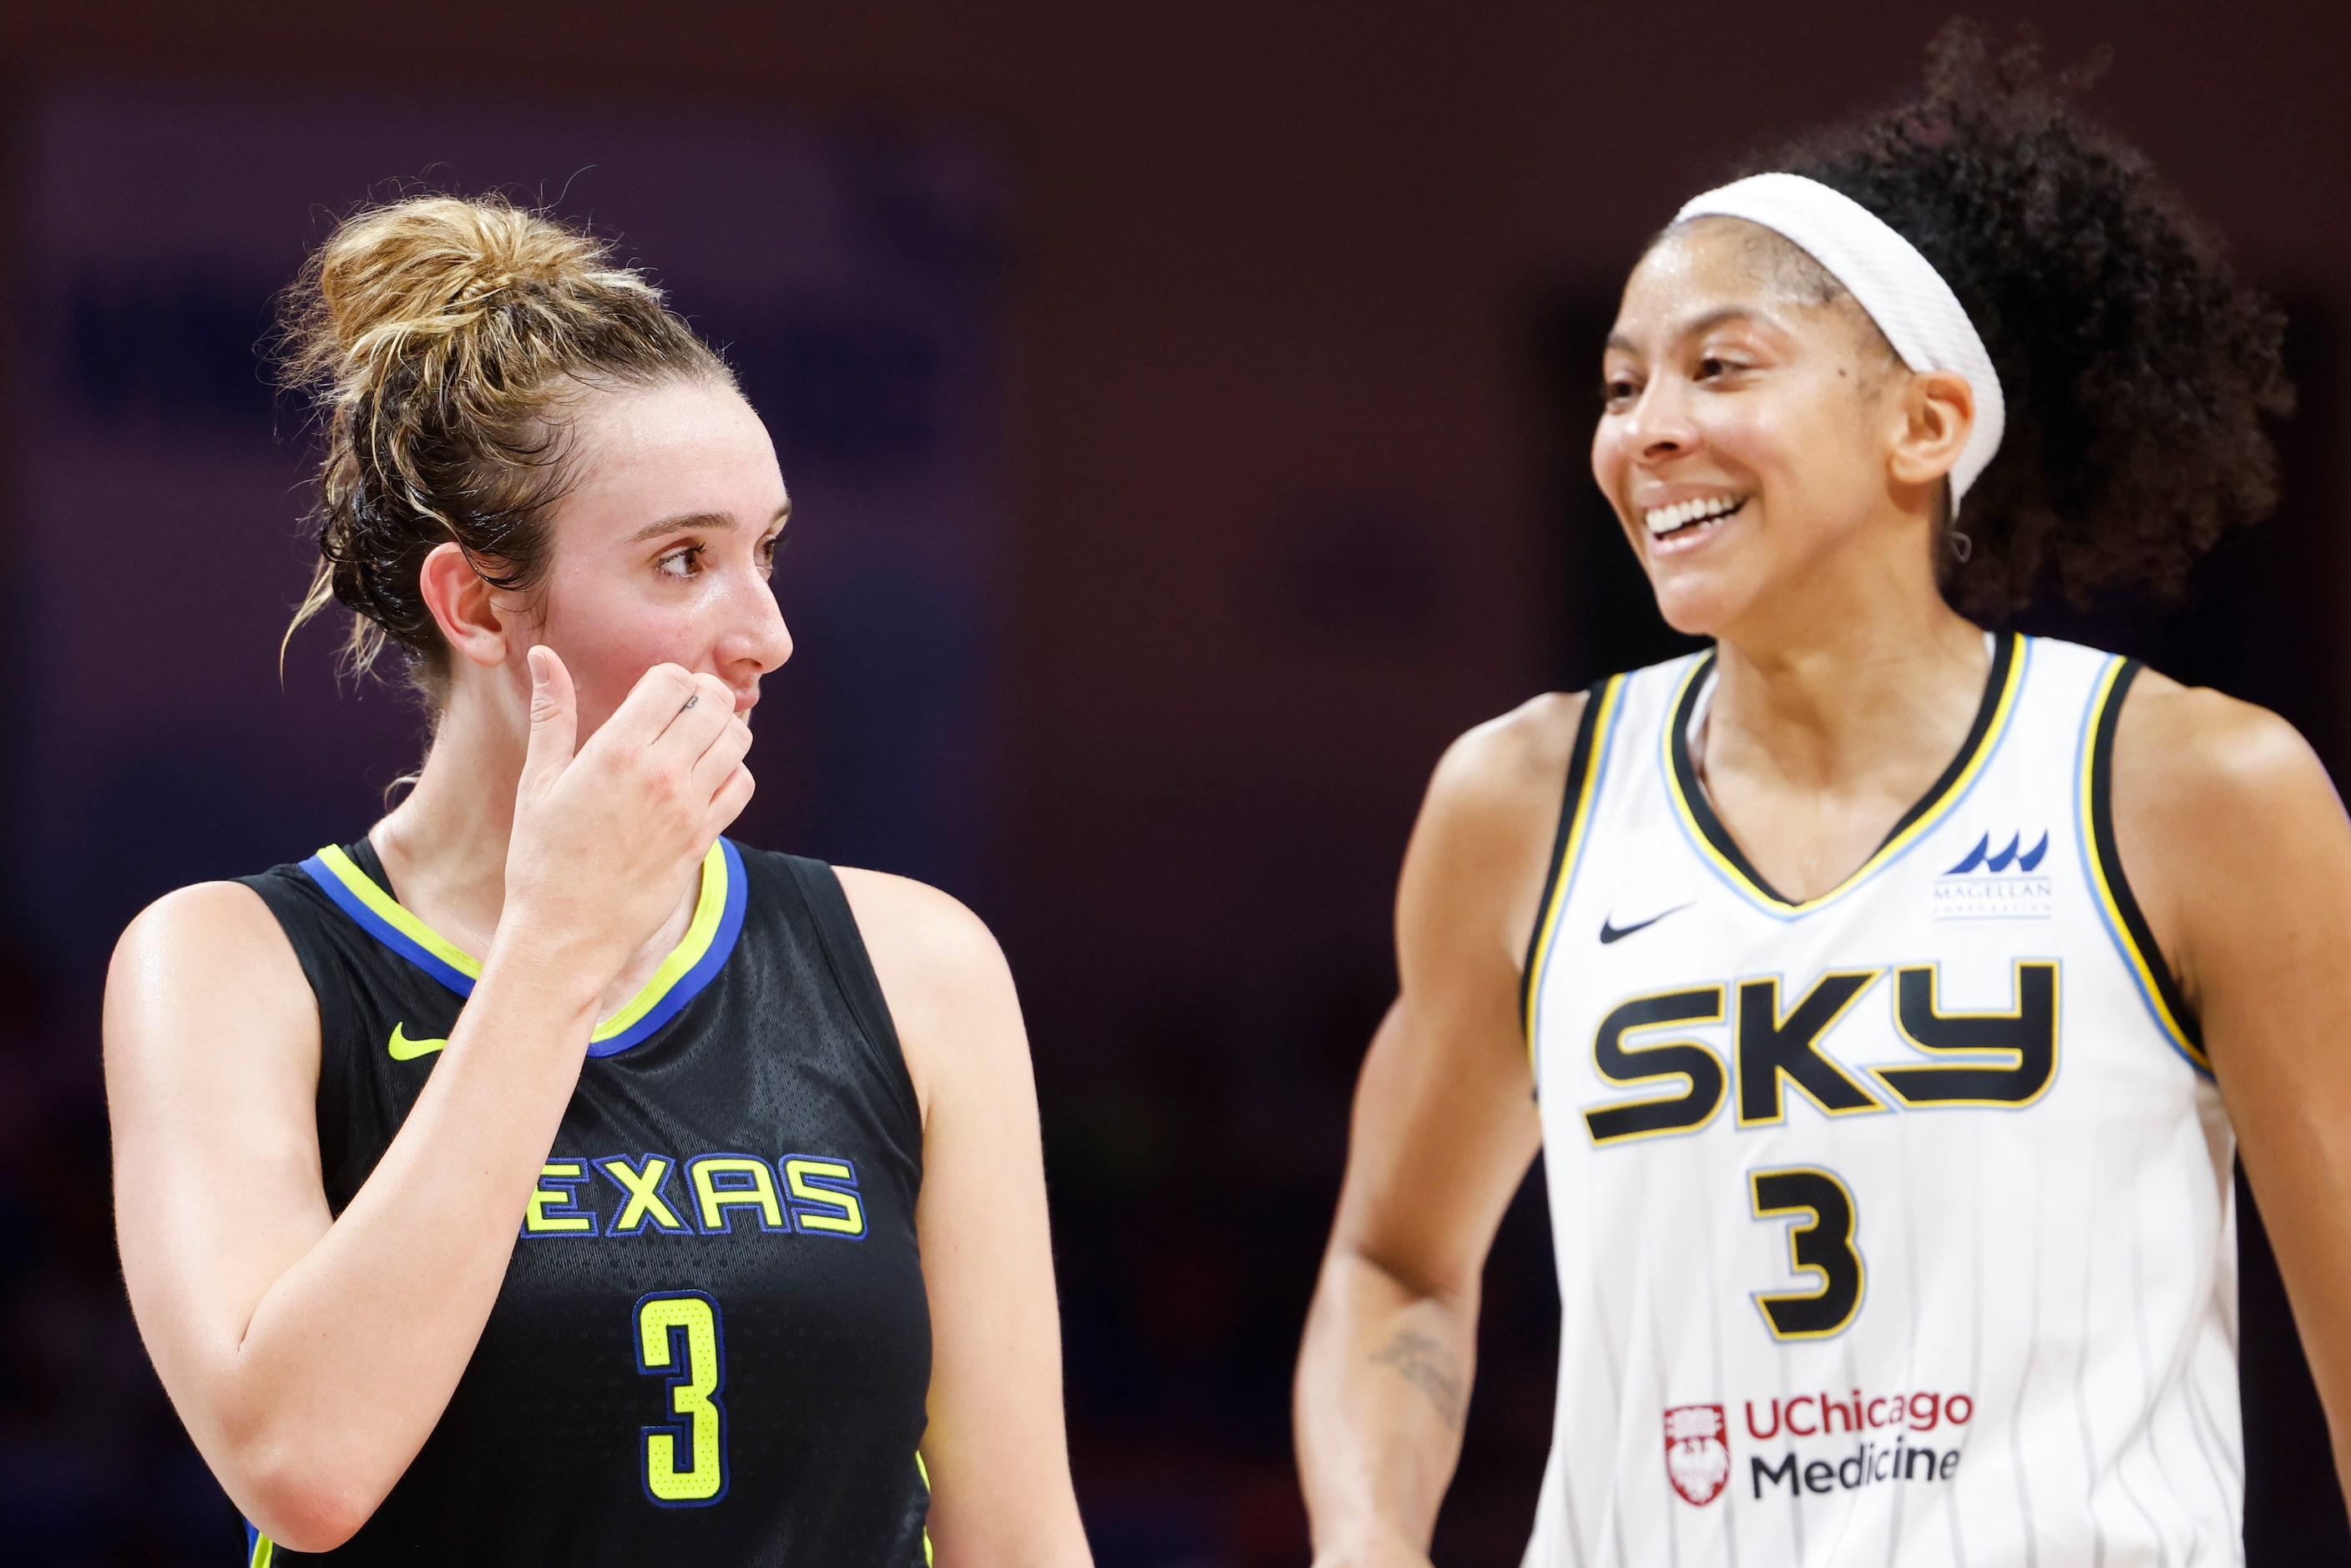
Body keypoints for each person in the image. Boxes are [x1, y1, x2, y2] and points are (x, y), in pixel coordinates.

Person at [1294, 25, 2342, 1565]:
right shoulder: (1521, 798)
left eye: (1722, 366)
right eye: (1620, 384)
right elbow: (1393, 1259)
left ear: (1923, 424)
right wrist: (1368, 1544)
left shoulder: (2188, 788)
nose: (1647, 430)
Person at [104, 194, 1092, 1566]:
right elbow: (301, 1462)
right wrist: (557, 939)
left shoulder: (919, 965)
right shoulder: (230, 964)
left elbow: (1022, 1536)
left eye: (768, 550)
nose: (766, 632)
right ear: (476, 603)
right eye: (684, 560)